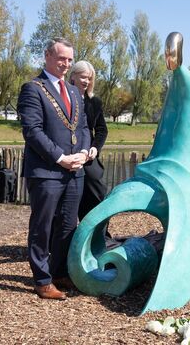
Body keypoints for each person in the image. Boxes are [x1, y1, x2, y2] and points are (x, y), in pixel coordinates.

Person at [18, 37, 91, 300]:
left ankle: (59, 272)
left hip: (75, 171)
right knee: (43, 226)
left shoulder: (73, 91)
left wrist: (83, 152)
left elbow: (83, 127)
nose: (66, 64)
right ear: (48, 56)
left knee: (67, 225)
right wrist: (61, 158)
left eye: (70, 60)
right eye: (62, 59)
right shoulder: (32, 89)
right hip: (47, 171)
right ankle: (42, 279)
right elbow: (33, 131)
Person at [68, 60, 118, 249]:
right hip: (68, 156)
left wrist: (95, 147)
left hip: (89, 157)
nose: (86, 81)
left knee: (98, 194)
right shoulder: (63, 98)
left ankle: (100, 236)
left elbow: (101, 130)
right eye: (83, 77)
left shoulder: (94, 102)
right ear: (72, 76)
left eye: (89, 78)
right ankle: (67, 242)